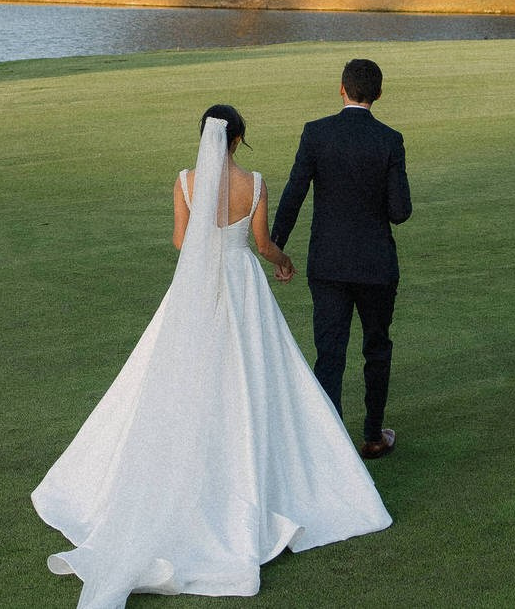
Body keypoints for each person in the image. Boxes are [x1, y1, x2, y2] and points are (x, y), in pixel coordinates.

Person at [32, 105, 390, 608]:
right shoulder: (256, 183)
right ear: (238, 138)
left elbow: (183, 241)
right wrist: (283, 263)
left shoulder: (184, 181)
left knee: (178, 373)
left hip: (195, 288)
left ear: (204, 136)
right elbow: (263, 243)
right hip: (243, 285)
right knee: (253, 374)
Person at [267, 57, 412, 460]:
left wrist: (278, 248)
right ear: (379, 94)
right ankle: (372, 436)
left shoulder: (316, 134)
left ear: (341, 88)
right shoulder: (390, 140)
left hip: (328, 264)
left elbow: (294, 193)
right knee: (376, 347)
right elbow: (400, 211)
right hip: (376, 265)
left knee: (330, 352)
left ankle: (329, 446)